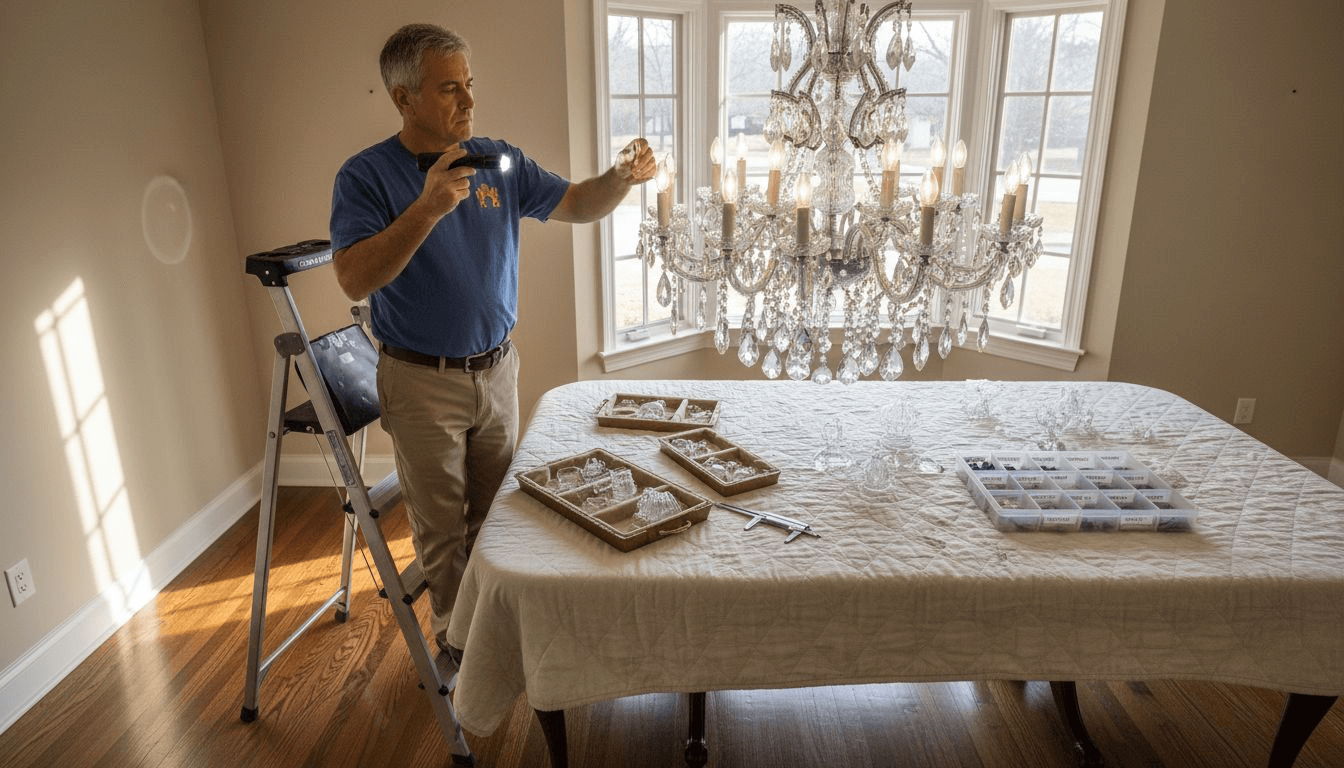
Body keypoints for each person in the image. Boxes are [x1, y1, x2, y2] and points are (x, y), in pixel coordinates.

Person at [329, 23, 655, 664]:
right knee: (443, 528)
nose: (469, 101)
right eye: (450, 89)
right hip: (421, 380)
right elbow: (354, 276)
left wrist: (620, 177)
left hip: (497, 370)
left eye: (470, 84)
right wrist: (426, 209)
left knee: (497, 513)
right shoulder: (365, 177)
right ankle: (460, 647)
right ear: (403, 98)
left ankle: (498, 629)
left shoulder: (499, 160)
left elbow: (579, 203)